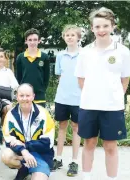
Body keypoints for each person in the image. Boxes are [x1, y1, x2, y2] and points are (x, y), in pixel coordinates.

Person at [75, 7, 130, 180]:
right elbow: (81, 80)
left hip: (112, 108)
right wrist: (93, 95)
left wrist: (114, 97)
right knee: (89, 143)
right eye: (97, 26)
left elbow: (125, 80)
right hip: (88, 106)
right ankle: (86, 177)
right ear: (92, 28)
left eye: (105, 26)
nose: (101, 30)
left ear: (112, 26)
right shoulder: (84, 52)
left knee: (110, 146)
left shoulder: (122, 51)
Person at [1, 83, 55, 180]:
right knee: (6, 156)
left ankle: (34, 169)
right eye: (21, 95)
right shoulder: (11, 115)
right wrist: (24, 151)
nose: (24, 98)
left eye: (28, 95)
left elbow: (48, 142)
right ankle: (23, 168)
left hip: (40, 156)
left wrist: (25, 145)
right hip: (21, 154)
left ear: (33, 96)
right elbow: (8, 140)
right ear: (17, 97)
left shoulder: (43, 114)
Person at [52, 25, 82, 177]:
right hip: (62, 98)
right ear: (64, 37)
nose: (69, 37)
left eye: (72, 35)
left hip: (79, 99)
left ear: (78, 37)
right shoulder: (60, 56)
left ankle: (74, 161)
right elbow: (59, 75)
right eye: (67, 35)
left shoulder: (84, 55)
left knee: (76, 128)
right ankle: (58, 158)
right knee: (62, 126)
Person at [16, 28, 50, 107]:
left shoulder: (44, 57)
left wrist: (42, 89)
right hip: (24, 96)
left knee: (40, 118)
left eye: (35, 40)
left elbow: (46, 77)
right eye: (30, 40)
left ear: (39, 41)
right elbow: (18, 77)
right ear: (26, 41)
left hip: (39, 95)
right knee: (24, 118)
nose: (32, 42)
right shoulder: (20, 57)